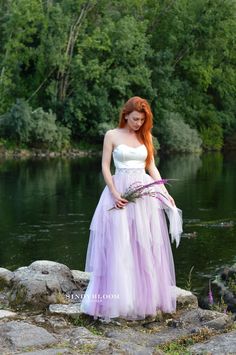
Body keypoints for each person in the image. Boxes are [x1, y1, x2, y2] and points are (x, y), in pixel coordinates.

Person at [80, 96, 182, 322]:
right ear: (125, 114)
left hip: (144, 194)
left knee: (143, 244)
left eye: (142, 120)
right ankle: (118, 301)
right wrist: (115, 192)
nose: (138, 123)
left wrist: (164, 192)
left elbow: (152, 167)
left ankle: (142, 298)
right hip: (120, 193)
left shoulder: (146, 137)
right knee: (120, 244)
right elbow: (106, 167)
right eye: (135, 119)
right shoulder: (112, 135)